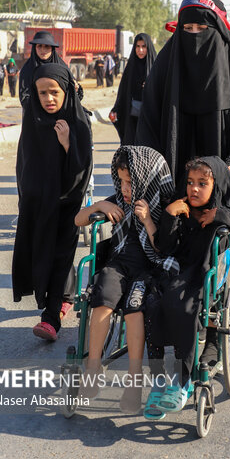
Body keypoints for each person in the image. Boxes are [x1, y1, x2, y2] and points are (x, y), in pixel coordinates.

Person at [136, 0, 230, 365]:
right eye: (186, 27)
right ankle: (169, 324)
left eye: (201, 28)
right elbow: (148, 128)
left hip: (225, 185)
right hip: (178, 183)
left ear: (219, 30)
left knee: (219, 260)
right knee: (172, 260)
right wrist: (154, 178)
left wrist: (227, 177)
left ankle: (212, 337)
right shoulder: (167, 64)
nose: (193, 35)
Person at [144, 156, 230, 418]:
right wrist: (171, 216)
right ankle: (159, 382)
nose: (194, 189)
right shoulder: (182, 209)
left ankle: (183, 381)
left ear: (215, 186)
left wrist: (221, 216)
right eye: (191, 182)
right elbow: (165, 246)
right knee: (152, 304)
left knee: (188, 307)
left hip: (207, 276)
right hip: (178, 272)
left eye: (202, 183)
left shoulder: (224, 211)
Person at [74, 146, 179, 413]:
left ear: (146, 178)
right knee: (102, 297)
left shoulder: (165, 207)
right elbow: (78, 220)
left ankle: (133, 381)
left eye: (130, 182)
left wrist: (147, 221)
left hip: (148, 271)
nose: (124, 188)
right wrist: (99, 205)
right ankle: (93, 366)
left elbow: (164, 250)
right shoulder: (120, 201)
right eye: (120, 181)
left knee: (134, 310)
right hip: (119, 264)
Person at [12, 63, 92, 342]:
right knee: (39, 254)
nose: (48, 99)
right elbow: (24, 163)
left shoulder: (77, 121)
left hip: (66, 203)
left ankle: (50, 318)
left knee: (60, 257)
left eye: (54, 92)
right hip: (36, 203)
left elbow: (83, 169)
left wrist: (68, 143)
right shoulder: (32, 120)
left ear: (66, 90)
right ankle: (57, 302)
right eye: (42, 93)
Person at [109, 33, 157, 145]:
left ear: (148, 47)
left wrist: (151, 86)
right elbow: (123, 91)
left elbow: (163, 89)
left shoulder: (155, 67)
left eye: (144, 47)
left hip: (149, 117)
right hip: (131, 116)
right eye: (138, 46)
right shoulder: (130, 67)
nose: (140, 50)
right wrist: (116, 108)